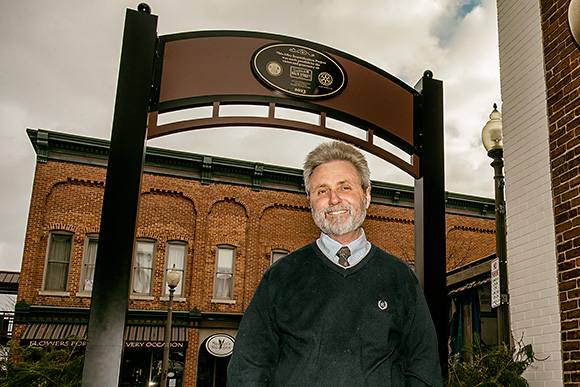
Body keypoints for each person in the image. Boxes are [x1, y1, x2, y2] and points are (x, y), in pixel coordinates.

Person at [227, 141, 443, 386]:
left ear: (367, 195)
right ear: (310, 202)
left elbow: (423, 368)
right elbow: (248, 368)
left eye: (345, 187)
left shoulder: (399, 277)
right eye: (322, 191)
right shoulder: (281, 276)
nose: (334, 199)